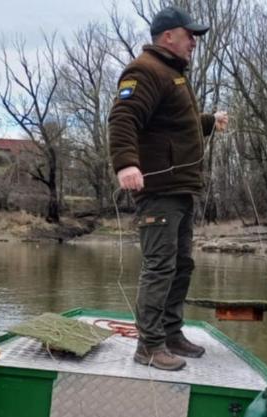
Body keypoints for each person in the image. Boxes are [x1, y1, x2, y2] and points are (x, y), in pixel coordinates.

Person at [108, 6, 229, 371]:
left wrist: (208, 121)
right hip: (158, 190)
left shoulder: (173, 75)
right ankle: (149, 345)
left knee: (182, 264)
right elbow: (123, 117)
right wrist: (126, 163)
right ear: (167, 36)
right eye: (189, 34)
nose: (194, 41)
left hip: (179, 190)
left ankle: (172, 333)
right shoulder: (145, 70)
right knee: (160, 266)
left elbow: (177, 125)